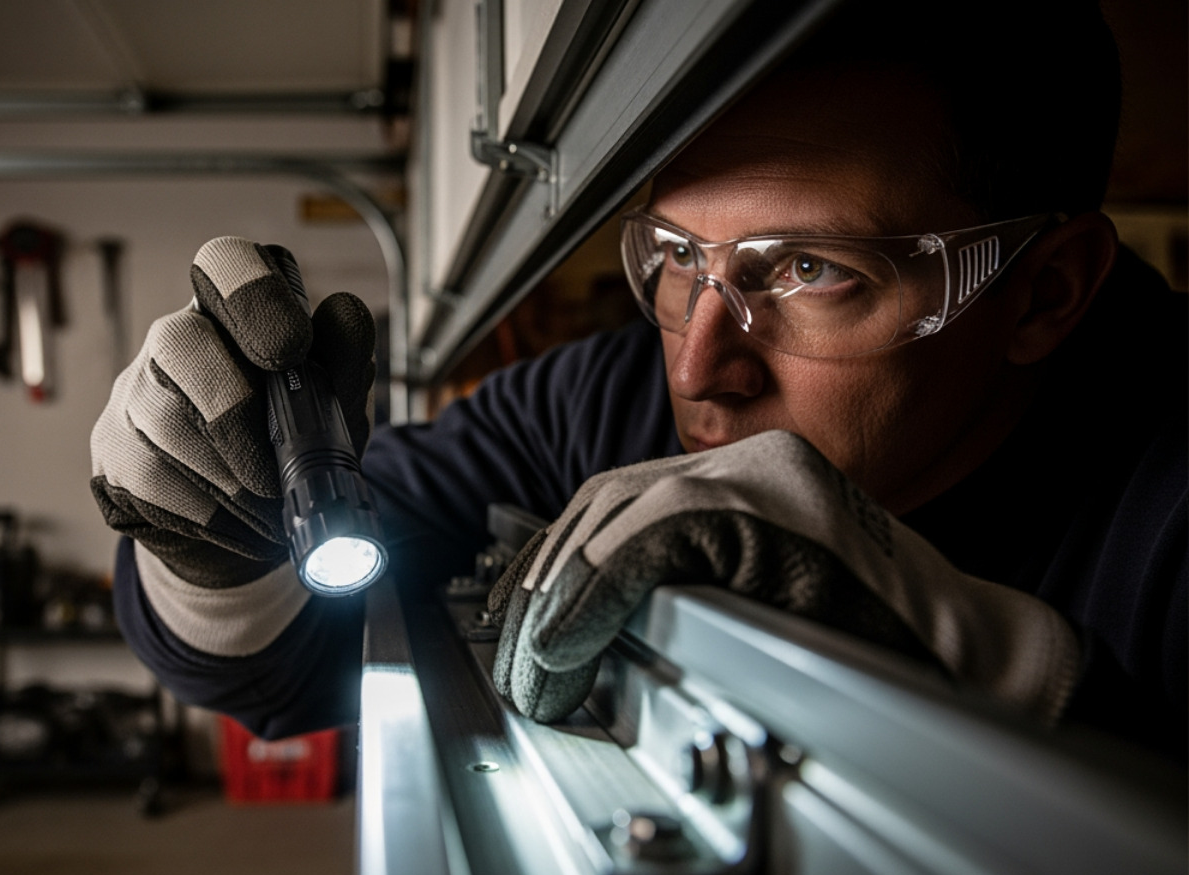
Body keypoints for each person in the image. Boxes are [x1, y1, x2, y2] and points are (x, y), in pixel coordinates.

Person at [90, 1, 1186, 757]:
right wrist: (212, 547)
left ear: (1044, 295)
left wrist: (1008, 677)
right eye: (676, 257)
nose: (702, 366)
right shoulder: (588, 409)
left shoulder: (1165, 493)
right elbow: (282, 677)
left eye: (808, 270)